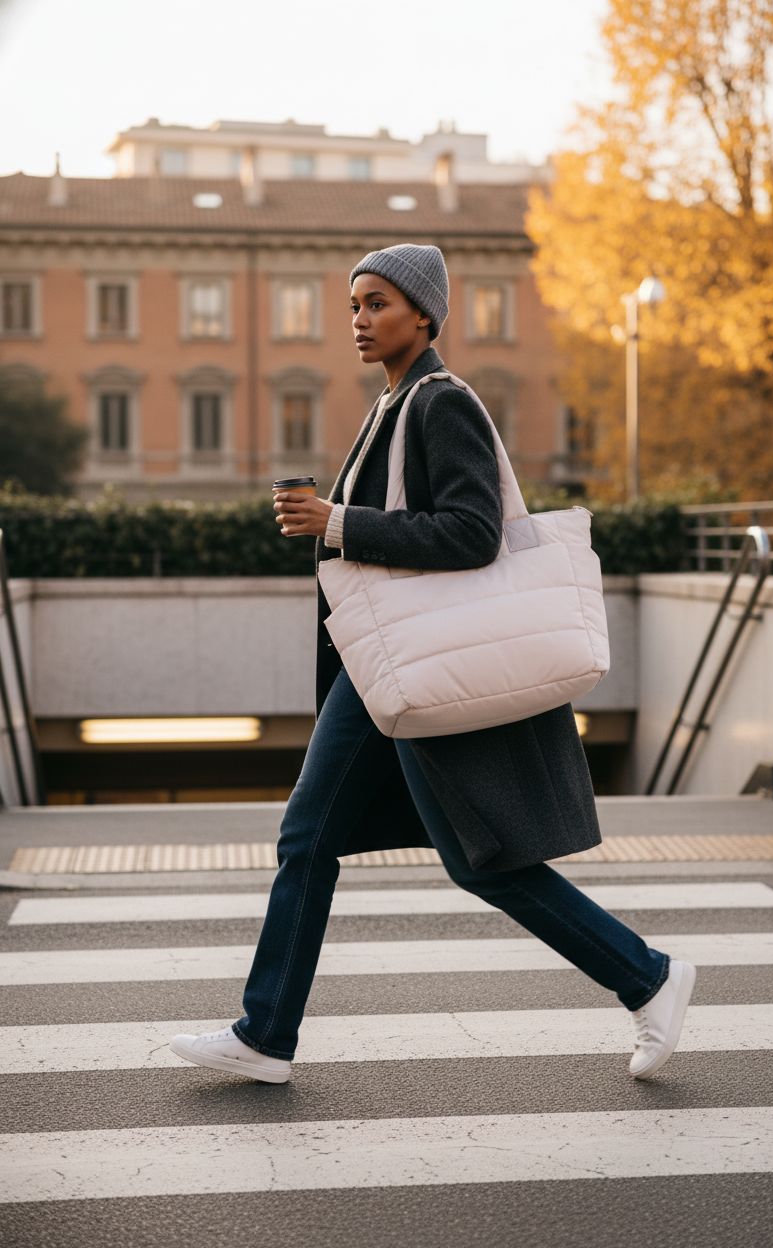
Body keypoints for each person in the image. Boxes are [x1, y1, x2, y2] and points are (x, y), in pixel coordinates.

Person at [170, 243, 696, 1085]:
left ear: (424, 313)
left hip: (418, 658)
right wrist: (331, 521)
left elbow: (471, 532)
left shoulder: (441, 402)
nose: (359, 319)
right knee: (314, 836)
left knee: (464, 856)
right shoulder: (393, 405)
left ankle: (648, 975)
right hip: (381, 662)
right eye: (353, 305)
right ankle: (266, 1033)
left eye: (377, 303)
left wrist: (335, 522)